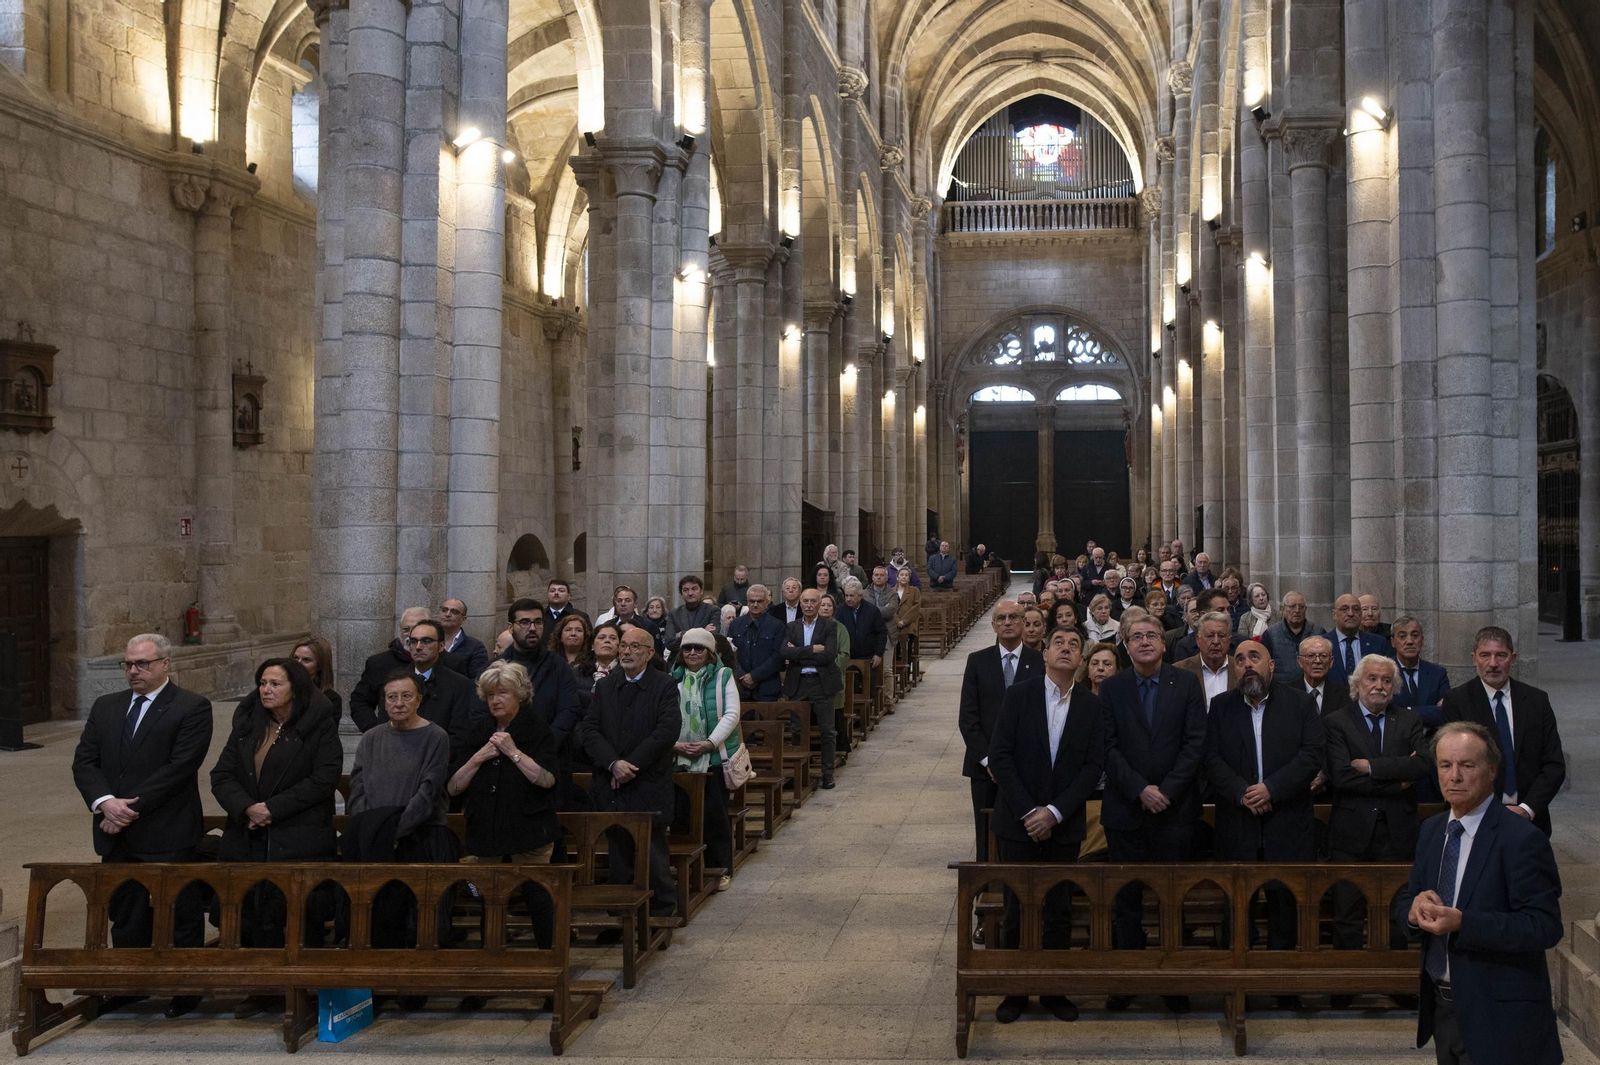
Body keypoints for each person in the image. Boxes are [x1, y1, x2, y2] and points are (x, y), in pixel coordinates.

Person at [1394, 721, 1564, 1065]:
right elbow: (1406, 898)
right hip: (1443, 1007)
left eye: (1466, 766)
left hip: (1502, 1016)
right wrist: (1412, 912)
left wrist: (1463, 923)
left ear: (1491, 771)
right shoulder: (1432, 830)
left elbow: (1544, 926)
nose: (1454, 776)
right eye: (1445, 765)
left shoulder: (1520, 839)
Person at [70, 633, 214, 1017]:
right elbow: (85, 761)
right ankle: (129, 984)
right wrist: (104, 803)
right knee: (127, 912)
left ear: (165, 664)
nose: (133, 671)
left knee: (179, 912)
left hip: (167, 827)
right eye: (128, 664)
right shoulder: (106, 707)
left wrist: (127, 809)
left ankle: (185, 988)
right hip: (116, 832)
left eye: (142, 664)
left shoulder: (191, 707)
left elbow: (180, 767)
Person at [987, 625, 1104, 1025]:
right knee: (1017, 908)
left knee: (1057, 909)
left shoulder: (1090, 705)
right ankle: (1015, 991)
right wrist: (1029, 812)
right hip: (1016, 821)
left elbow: (1092, 767)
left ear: (1082, 657)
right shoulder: (1020, 695)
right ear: (1045, 653)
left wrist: (1054, 812)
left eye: (1074, 645)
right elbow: (1000, 756)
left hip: (1064, 824)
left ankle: (1054, 988)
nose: (1067, 649)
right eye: (1059, 643)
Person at [1100, 613, 1207, 1013]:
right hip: (1126, 811)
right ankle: (1128, 977)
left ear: (1164, 644)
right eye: (1136, 636)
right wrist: (1140, 789)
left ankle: (1172, 978)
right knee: (1125, 901)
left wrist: (1166, 790)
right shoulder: (1112, 688)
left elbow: (1196, 743)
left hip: (1175, 810)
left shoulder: (1186, 684)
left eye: (1151, 635)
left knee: (1171, 898)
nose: (1144, 641)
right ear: (1125, 646)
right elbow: (1107, 747)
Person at [1205, 639, 1323, 990]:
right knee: (1238, 907)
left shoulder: (1300, 704)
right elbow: (1211, 759)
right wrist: (1242, 792)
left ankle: (1282, 985)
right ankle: (1239, 985)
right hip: (1237, 823)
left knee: (1284, 905)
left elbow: (1312, 753)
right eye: (1239, 660)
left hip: (1286, 821)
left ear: (1272, 665)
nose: (1247, 665)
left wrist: (1271, 788)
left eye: (1254, 657)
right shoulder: (1221, 706)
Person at [209, 658, 342, 939]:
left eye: (275, 684)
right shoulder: (248, 726)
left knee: (297, 923)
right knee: (247, 923)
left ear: (295, 688)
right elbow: (222, 775)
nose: (266, 689)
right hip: (247, 837)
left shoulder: (319, 726)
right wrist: (247, 808)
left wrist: (272, 809)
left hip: (298, 837)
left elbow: (323, 779)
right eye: (262, 683)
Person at [448, 660, 562, 975]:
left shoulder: (536, 729)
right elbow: (454, 786)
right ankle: (489, 971)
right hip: (487, 830)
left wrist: (513, 751)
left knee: (539, 899)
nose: (496, 700)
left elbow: (547, 779)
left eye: (503, 693)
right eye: (490, 694)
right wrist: (478, 757)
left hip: (530, 831)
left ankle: (548, 969)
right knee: (490, 901)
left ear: (519, 695)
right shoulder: (479, 730)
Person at [1323, 655, 1430, 971]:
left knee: (1396, 908)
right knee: (1347, 911)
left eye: (1386, 680)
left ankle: (1395, 980)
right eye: (1371, 678)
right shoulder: (1336, 722)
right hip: (1351, 832)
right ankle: (1347, 982)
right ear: (1357, 685)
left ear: (1394, 688)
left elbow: (1423, 764)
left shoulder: (1408, 721)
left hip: (1397, 831)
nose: (1379, 686)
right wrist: (1398, 781)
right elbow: (1342, 776)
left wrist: (1371, 768)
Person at [346, 671, 456, 971]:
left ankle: (418, 984)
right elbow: (358, 789)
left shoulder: (435, 737)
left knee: (421, 920)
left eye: (406, 696)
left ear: (419, 699)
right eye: (391, 697)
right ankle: (382, 981)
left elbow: (428, 791)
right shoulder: (371, 738)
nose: (398, 703)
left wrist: (393, 830)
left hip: (423, 837)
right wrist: (374, 830)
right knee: (380, 915)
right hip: (377, 841)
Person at [577, 624, 681, 919]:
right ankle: (620, 917)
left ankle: (662, 912)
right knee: (618, 853)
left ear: (649, 653)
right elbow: (590, 729)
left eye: (635, 647)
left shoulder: (664, 685)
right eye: (624, 645)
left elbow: (666, 731)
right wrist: (613, 763)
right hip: (611, 782)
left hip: (647, 781)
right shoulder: (607, 685)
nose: (626, 651)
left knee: (652, 852)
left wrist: (630, 765)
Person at [1439, 626, 1566, 837]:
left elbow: (1554, 764)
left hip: (1530, 821)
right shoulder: (1457, 701)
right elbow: (1451, 763)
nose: (1493, 664)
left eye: (1501, 655)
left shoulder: (1537, 701)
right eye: (1485, 655)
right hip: (1475, 818)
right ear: (1474, 658)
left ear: (1513, 658)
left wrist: (1527, 809)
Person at [958, 601, 1043, 862]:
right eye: (1001, 618)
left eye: (1013, 617)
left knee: (1026, 828)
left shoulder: (1039, 661)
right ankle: (986, 882)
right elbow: (968, 718)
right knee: (986, 830)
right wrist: (989, 760)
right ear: (993, 625)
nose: (1007, 622)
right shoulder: (978, 661)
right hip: (984, 768)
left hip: (1027, 766)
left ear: (1023, 623)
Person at [671, 629, 742, 891]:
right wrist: (674, 745)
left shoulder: (723, 675)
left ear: (710, 653)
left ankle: (720, 868)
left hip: (713, 757)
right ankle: (686, 868)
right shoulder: (673, 678)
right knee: (681, 815)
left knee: (714, 816)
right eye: (687, 648)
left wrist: (709, 743)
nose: (692, 653)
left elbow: (732, 714)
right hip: (680, 757)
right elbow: (664, 714)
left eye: (698, 649)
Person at [498, 597, 584, 813]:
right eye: (525, 622)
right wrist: (511, 750)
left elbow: (569, 711)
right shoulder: (495, 668)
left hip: (550, 758)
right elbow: (483, 714)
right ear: (511, 627)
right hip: (505, 761)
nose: (532, 628)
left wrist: (542, 747)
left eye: (538, 622)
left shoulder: (558, 666)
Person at [349, 606, 449, 732]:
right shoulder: (379, 664)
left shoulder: (451, 663)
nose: (412, 635)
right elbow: (359, 702)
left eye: (418, 628)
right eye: (406, 629)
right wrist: (376, 732)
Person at [781, 588, 841, 789]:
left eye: (812, 601)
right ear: (800, 603)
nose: (808, 605)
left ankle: (827, 773)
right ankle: (800, 774)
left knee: (827, 731)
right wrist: (812, 649)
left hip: (821, 683)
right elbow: (783, 652)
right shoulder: (791, 626)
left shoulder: (829, 626)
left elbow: (829, 655)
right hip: (798, 684)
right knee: (798, 730)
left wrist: (797, 653)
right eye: (804, 601)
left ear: (819, 603)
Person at [403, 617, 478, 771]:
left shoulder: (459, 685)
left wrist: (427, 759)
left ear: (441, 645)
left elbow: (459, 735)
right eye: (413, 641)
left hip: (438, 766)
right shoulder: (397, 681)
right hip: (400, 764)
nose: (418, 647)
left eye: (426, 641)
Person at [727, 583, 786, 701]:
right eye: (751, 601)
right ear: (747, 602)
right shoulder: (735, 624)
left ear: (767, 602)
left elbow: (778, 657)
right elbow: (730, 653)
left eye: (759, 601)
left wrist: (754, 676)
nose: (755, 605)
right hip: (740, 688)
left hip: (767, 689)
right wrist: (742, 675)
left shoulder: (777, 625)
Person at [1391, 615, 1452, 725]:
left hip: (1430, 739)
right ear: (1393, 642)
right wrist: (1429, 711)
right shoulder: (1385, 672)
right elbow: (1387, 714)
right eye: (1402, 636)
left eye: (1415, 635)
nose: (1409, 641)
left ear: (1422, 640)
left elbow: (1446, 712)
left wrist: (1406, 712)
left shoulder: (1437, 674)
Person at [815, 594, 855, 760]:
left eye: (828, 605)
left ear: (833, 608)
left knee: (835, 717)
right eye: (822, 605)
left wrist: (827, 668)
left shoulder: (840, 629)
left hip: (833, 677)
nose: (825, 608)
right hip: (814, 679)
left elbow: (844, 654)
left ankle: (839, 749)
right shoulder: (812, 627)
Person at [1327, 593, 1393, 690]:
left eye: (1356, 609)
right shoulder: (1322, 644)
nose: (1350, 614)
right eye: (1344, 609)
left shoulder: (1378, 643)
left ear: (1360, 614)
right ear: (1334, 615)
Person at [1260, 590, 1325, 685]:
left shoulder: (1318, 632)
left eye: (1301, 607)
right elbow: (1264, 666)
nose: (1297, 610)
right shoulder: (1270, 634)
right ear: (1283, 609)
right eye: (1292, 606)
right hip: (1281, 690)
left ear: (1305, 609)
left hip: (1311, 689)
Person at [1175, 610, 1235, 708]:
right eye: (1210, 636)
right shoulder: (1180, 670)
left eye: (1221, 636)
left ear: (1229, 640)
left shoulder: (1240, 669)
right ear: (1198, 640)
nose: (1216, 641)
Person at [1297, 634, 1351, 718]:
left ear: (1331, 661)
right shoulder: (1287, 694)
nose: (1318, 661)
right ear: (1300, 661)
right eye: (1311, 656)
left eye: (1323, 656)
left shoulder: (1345, 696)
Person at [437, 597, 490, 680]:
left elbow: (477, 681)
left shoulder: (475, 647)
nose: (447, 614)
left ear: (463, 619)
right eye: (444, 610)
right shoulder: (429, 641)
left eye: (454, 612)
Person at [662, 574, 719, 650]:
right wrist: (703, 631)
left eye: (694, 589)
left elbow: (711, 638)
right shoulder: (674, 614)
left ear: (701, 591)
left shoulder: (713, 611)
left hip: (704, 658)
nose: (690, 593)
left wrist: (681, 634)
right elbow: (669, 643)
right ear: (681, 594)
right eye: (686, 590)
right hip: (678, 658)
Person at [291, 636, 342, 716]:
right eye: (295, 658)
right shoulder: (282, 691)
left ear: (319, 666)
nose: (298, 664)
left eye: (306, 660)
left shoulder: (330, 699)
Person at [584, 621, 623, 693]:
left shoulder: (627, 672)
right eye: (601, 638)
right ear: (592, 645)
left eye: (613, 638)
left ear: (620, 646)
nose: (607, 641)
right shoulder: (579, 672)